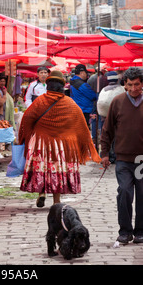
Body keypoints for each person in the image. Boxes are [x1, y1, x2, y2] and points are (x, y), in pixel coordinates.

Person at [18, 70, 101, 208]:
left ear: (48, 85)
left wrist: (26, 136)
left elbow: (27, 119)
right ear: (62, 87)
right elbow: (81, 123)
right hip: (61, 146)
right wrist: (81, 142)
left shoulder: (40, 101)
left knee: (43, 169)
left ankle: (41, 194)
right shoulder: (70, 103)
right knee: (57, 171)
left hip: (41, 143)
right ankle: (56, 201)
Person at [100, 67, 143, 245]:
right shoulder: (117, 102)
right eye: (130, 85)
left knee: (142, 195)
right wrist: (104, 154)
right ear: (125, 85)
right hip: (123, 159)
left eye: (137, 84)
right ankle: (125, 231)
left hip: (142, 160)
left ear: (142, 84)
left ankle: (140, 231)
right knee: (124, 192)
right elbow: (107, 130)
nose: (133, 88)